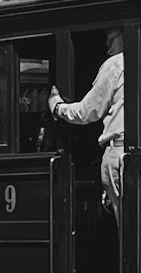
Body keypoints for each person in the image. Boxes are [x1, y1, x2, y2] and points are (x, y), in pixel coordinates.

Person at [49, 28, 126, 219]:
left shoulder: (115, 64)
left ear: (124, 35)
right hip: (132, 151)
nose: (108, 50)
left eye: (110, 41)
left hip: (117, 152)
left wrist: (57, 107)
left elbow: (86, 112)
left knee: (125, 224)